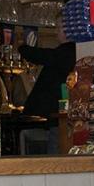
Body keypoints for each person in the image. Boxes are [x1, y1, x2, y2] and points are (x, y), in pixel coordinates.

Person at [18, 25, 76, 154]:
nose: (56, 32)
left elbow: (41, 56)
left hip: (56, 115)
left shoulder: (66, 52)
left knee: (54, 153)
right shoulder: (74, 51)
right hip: (60, 114)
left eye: (59, 28)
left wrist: (22, 47)